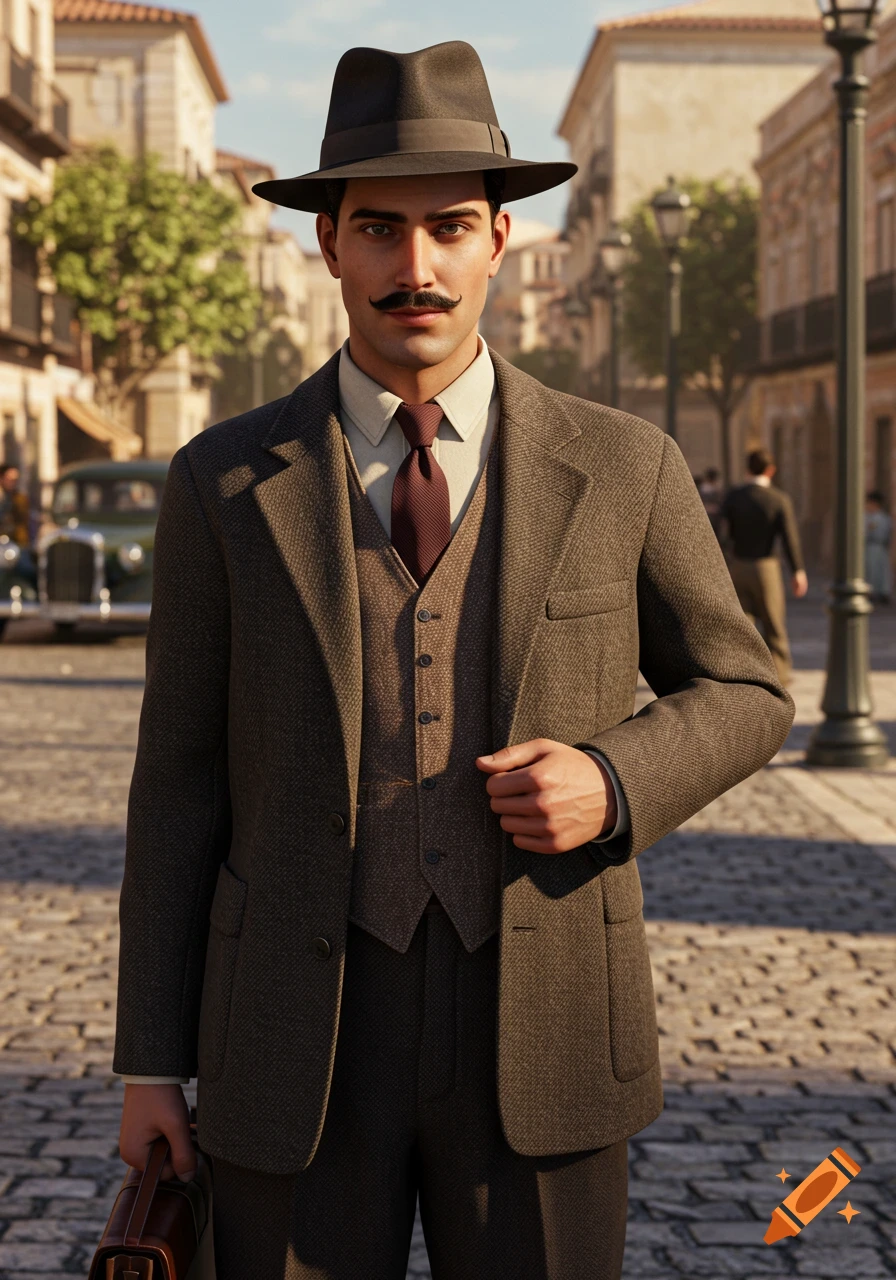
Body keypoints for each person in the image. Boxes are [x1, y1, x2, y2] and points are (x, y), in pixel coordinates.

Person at [113, 41, 794, 1280]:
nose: (414, 267)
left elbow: (744, 687)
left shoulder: (624, 464)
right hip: (290, 1031)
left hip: (546, 1016)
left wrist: (614, 778)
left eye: (449, 227)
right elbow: (177, 783)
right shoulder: (219, 480)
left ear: (497, 240)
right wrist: (150, 1061)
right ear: (328, 242)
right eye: (379, 228)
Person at [720, 447, 807, 687]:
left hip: (738, 565)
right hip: (766, 567)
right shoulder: (778, 499)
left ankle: (741, 675)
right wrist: (798, 571)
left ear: (747, 469)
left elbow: (721, 533)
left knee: (741, 625)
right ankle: (779, 677)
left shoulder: (734, 497)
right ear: (771, 470)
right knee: (773, 624)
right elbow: (789, 538)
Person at [865, 490, 892, 605]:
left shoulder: (883, 518)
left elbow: (886, 533)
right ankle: (870, 591)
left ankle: (882, 592)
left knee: (881, 570)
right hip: (868, 547)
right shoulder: (865, 517)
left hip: (878, 546)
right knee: (869, 570)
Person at [0, 463, 30, 548]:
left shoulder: (20, 499)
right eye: (10, 479)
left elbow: (23, 523)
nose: (13, 483)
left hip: (15, 542)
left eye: (15, 480)